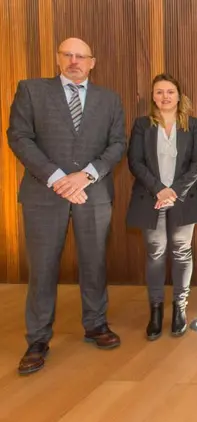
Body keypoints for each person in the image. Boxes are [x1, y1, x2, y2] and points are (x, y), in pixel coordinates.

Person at [7, 37, 127, 375]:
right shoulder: (31, 91)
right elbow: (19, 137)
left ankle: (95, 324)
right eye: (68, 55)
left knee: (94, 262)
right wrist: (58, 177)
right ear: (58, 59)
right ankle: (38, 339)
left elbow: (117, 143)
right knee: (42, 268)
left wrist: (85, 176)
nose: (74, 61)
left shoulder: (109, 99)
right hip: (45, 194)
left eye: (81, 56)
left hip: (93, 192)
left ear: (92, 62)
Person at [126, 73, 197, 340]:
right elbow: (135, 161)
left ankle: (180, 309)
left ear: (179, 95)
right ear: (153, 96)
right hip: (151, 198)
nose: (165, 96)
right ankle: (155, 311)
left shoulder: (193, 125)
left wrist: (174, 191)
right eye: (159, 92)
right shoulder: (142, 125)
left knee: (182, 252)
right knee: (155, 252)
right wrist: (159, 190)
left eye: (170, 91)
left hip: (184, 198)